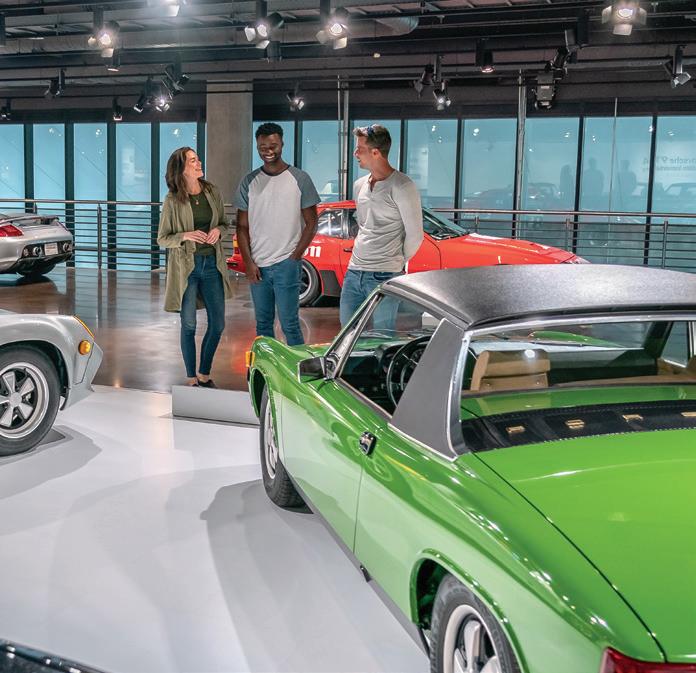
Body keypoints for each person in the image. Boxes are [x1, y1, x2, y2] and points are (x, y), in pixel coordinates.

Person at [234, 122, 319, 346]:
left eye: (273, 146)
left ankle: (297, 368)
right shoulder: (249, 182)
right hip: (258, 265)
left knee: (290, 324)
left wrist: (295, 256)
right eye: (262, 147)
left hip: (287, 264)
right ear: (257, 147)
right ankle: (267, 366)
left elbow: (312, 222)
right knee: (263, 324)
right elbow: (241, 226)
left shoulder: (300, 179)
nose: (268, 151)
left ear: (282, 144)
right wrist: (248, 262)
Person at [157, 147, 232, 388]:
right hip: (186, 269)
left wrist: (218, 230)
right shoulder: (172, 200)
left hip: (212, 266)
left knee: (218, 324)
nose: (199, 163)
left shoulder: (212, 191)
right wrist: (185, 235)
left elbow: (225, 223)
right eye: (192, 160)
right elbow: (162, 238)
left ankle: (204, 373)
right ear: (182, 169)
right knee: (188, 325)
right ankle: (191, 378)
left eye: (197, 159)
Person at [339, 124, 423, 327]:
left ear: (375, 152)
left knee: (382, 337)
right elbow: (363, 224)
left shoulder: (402, 186)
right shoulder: (359, 185)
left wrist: (395, 262)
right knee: (346, 334)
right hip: (354, 271)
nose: (355, 153)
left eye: (360, 149)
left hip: (384, 274)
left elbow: (415, 235)